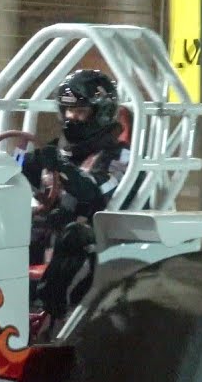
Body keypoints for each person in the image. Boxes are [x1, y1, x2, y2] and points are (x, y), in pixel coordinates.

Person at [21, 69, 129, 322]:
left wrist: (61, 168)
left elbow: (95, 191)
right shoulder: (58, 150)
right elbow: (21, 173)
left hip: (99, 242)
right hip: (49, 233)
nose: (72, 118)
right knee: (17, 227)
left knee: (74, 235)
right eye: (68, 111)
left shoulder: (121, 156)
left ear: (100, 113)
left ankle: (50, 315)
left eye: (80, 112)